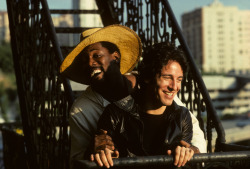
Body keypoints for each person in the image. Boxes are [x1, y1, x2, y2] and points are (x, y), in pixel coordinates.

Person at [59, 25, 206, 167]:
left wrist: (192, 152)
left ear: (115, 57)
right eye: (84, 61)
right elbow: (78, 161)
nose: (90, 63)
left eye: (96, 55)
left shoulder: (156, 85)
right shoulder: (81, 110)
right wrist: (94, 151)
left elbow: (192, 132)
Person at [91, 43, 200, 168]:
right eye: (167, 77)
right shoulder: (114, 114)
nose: (174, 87)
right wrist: (100, 151)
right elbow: (100, 152)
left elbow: (187, 155)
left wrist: (189, 153)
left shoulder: (182, 116)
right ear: (148, 77)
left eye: (179, 80)